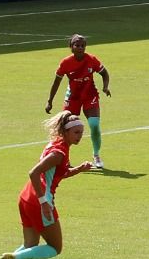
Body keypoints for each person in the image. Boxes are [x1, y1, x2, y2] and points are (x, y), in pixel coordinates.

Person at [0, 111, 92, 259]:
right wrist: (44, 202)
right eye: (76, 132)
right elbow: (34, 173)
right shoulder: (59, 152)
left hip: (26, 198)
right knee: (55, 248)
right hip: (39, 201)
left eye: (81, 132)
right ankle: (13, 258)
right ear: (67, 132)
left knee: (30, 244)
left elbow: (58, 172)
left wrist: (78, 169)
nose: (80, 136)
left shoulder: (57, 145)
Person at [46, 34, 110, 169]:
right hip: (73, 97)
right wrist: (50, 100)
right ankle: (65, 158)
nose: (80, 48)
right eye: (77, 45)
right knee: (66, 128)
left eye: (82, 45)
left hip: (89, 94)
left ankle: (96, 155)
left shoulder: (91, 59)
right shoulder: (66, 63)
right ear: (71, 47)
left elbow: (104, 73)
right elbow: (56, 82)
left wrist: (105, 87)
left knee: (94, 124)